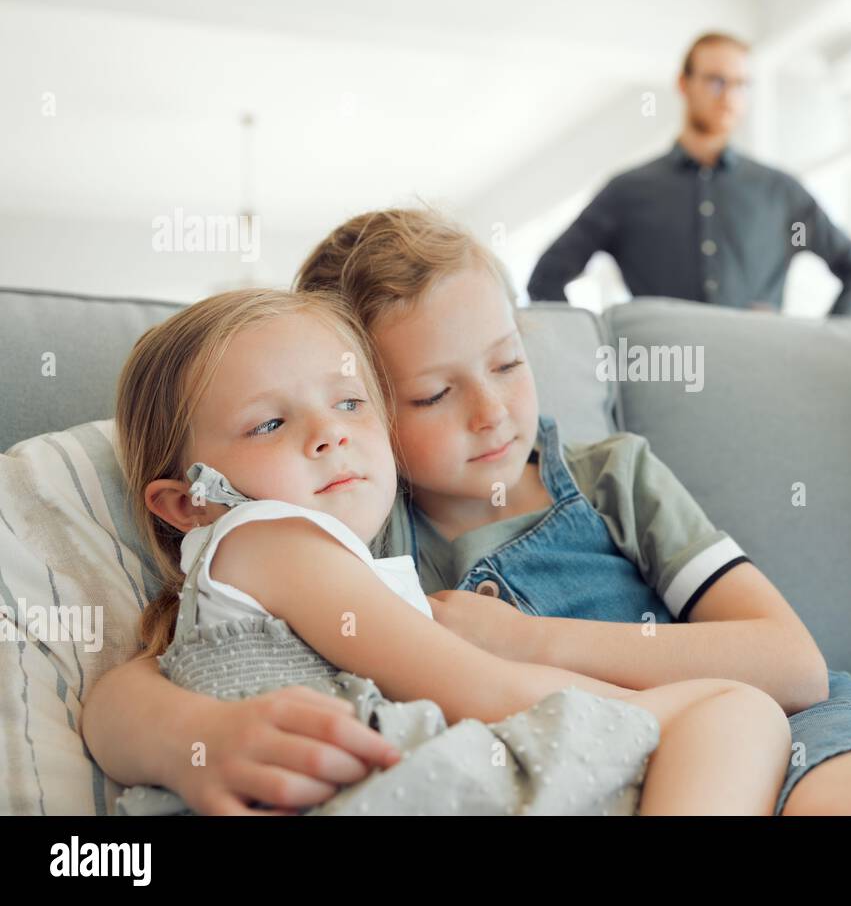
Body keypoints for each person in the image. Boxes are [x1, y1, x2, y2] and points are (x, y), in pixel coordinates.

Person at [85, 209, 851, 816]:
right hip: (651, 772)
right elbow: (144, 666)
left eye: (507, 362)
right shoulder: (352, 528)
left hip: (789, 725)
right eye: (426, 394)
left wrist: (530, 642)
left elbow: (787, 659)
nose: (490, 413)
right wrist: (187, 748)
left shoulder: (611, 474)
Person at [100, 287, 792, 815]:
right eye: (271, 422)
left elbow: (115, 704)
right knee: (735, 711)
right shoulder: (271, 538)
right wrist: (666, 706)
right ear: (191, 503)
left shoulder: (290, 567)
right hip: (400, 781)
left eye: (348, 403)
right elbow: (483, 692)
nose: (328, 434)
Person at [527, 32, 851, 317]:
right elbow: (546, 278)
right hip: (661, 382)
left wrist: (820, 346)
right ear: (684, 84)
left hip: (759, 378)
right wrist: (592, 353)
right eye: (715, 82)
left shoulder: (780, 191)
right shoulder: (627, 192)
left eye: (741, 85)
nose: (728, 97)